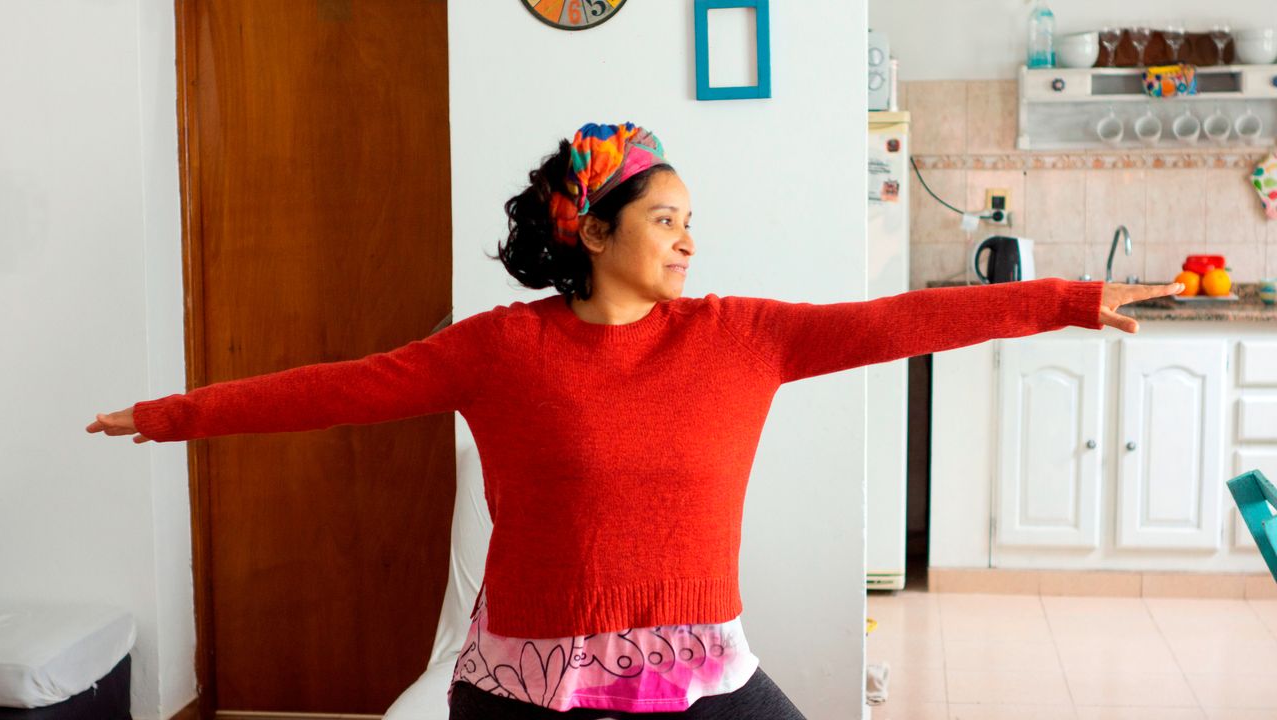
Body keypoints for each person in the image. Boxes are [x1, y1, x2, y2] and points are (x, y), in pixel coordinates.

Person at [88, 122, 1182, 718]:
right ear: (592, 231)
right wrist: (168, 415)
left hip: (700, 669)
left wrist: (1065, 301)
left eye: (690, 221)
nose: (687, 240)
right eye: (664, 220)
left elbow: (895, 319)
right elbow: (335, 388)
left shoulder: (743, 334)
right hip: (526, 687)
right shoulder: (499, 349)